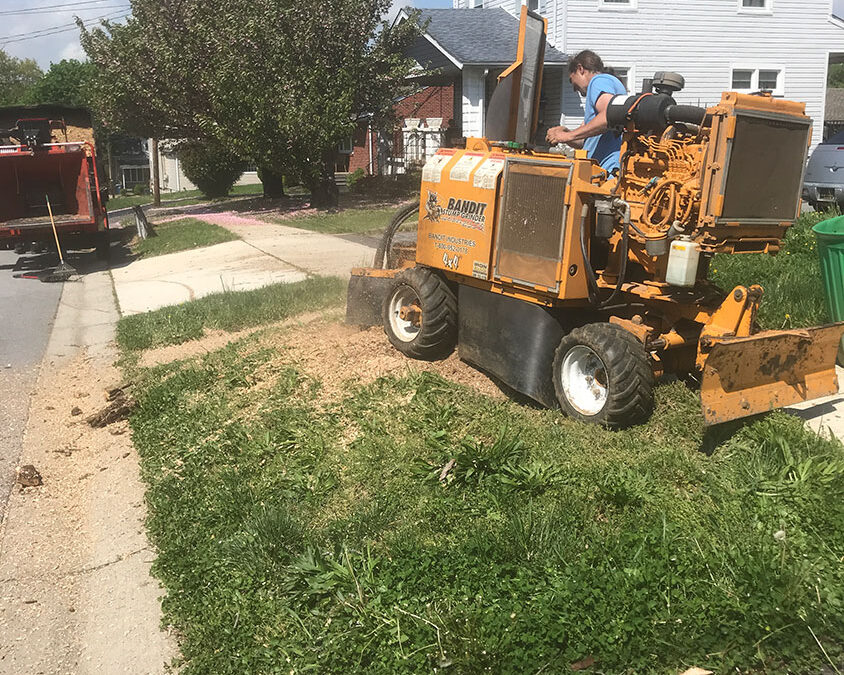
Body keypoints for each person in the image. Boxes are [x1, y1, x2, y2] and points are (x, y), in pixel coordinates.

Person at [546, 50, 627, 173]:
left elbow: (608, 116)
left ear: (580, 69)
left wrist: (568, 135)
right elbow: (585, 141)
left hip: (606, 172)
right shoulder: (608, 84)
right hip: (600, 170)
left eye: (571, 79)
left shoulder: (598, 81)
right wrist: (565, 134)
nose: (574, 88)